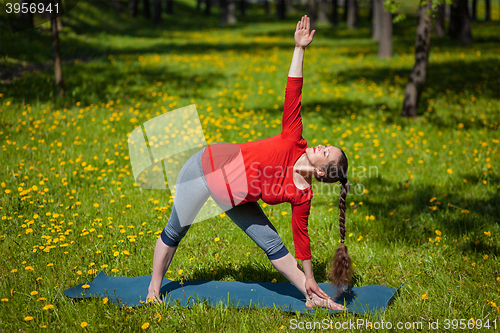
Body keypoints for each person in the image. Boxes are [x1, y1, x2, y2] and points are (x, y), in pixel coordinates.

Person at [146, 15, 351, 311]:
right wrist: (299, 49)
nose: (321, 145)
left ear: (321, 171)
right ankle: (154, 289)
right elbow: (293, 91)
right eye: (326, 145)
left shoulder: (302, 195)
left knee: (273, 244)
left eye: (326, 152)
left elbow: (301, 240)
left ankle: (312, 297)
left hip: (236, 198)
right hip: (205, 170)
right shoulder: (294, 139)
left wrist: (311, 279)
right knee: (175, 230)